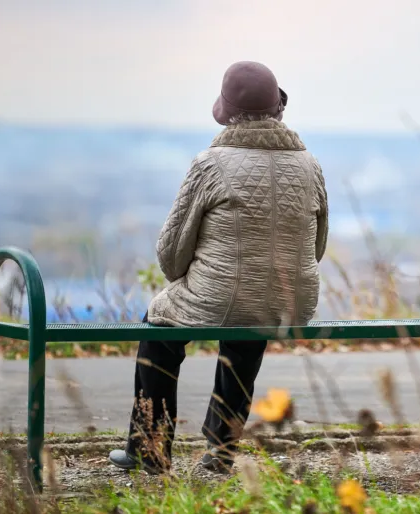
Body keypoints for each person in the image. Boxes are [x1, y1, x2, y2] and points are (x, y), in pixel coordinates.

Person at [108, 61, 329, 474]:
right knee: (253, 319)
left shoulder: (210, 163)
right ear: (277, 109)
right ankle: (221, 451)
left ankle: (150, 450)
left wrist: (197, 278)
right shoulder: (310, 165)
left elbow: (172, 255)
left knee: (158, 331)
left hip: (220, 296)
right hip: (290, 300)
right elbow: (316, 248)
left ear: (228, 113)